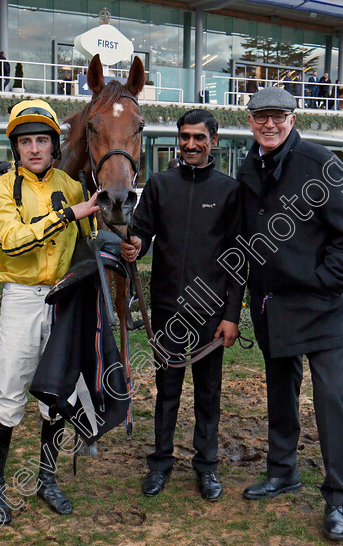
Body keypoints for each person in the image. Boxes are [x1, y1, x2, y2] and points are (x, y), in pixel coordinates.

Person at [237, 87, 343, 541]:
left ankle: (337, 499)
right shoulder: (247, 165)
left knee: (331, 402)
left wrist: (322, 283)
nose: (268, 125)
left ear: (293, 119)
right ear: (249, 120)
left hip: (322, 308)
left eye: (277, 116)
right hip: (272, 305)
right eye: (260, 117)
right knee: (280, 393)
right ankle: (283, 472)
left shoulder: (321, 164)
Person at [0, 99, 99, 525]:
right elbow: (12, 241)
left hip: (64, 300)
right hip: (22, 299)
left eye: (43, 140)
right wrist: (68, 214)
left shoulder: (72, 185)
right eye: (26, 141)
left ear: (54, 145)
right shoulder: (0, 190)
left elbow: (92, 241)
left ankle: (48, 478)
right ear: (16, 147)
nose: (34, 148)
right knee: (10, 395)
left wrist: (122, 244)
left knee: (57, 394)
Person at [119, 109, 243, 502]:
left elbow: (239, 258)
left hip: (210, 310)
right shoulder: (159, 184)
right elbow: (142, 232)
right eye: (185, 136)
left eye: (199, 138)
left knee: (208, 393)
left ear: (214, 141)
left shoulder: (229, 190)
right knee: (166, 389)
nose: (191, 144)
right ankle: (160, 463)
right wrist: (135, 243)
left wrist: (231, 316)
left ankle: (206, 468)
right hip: (168, 308)